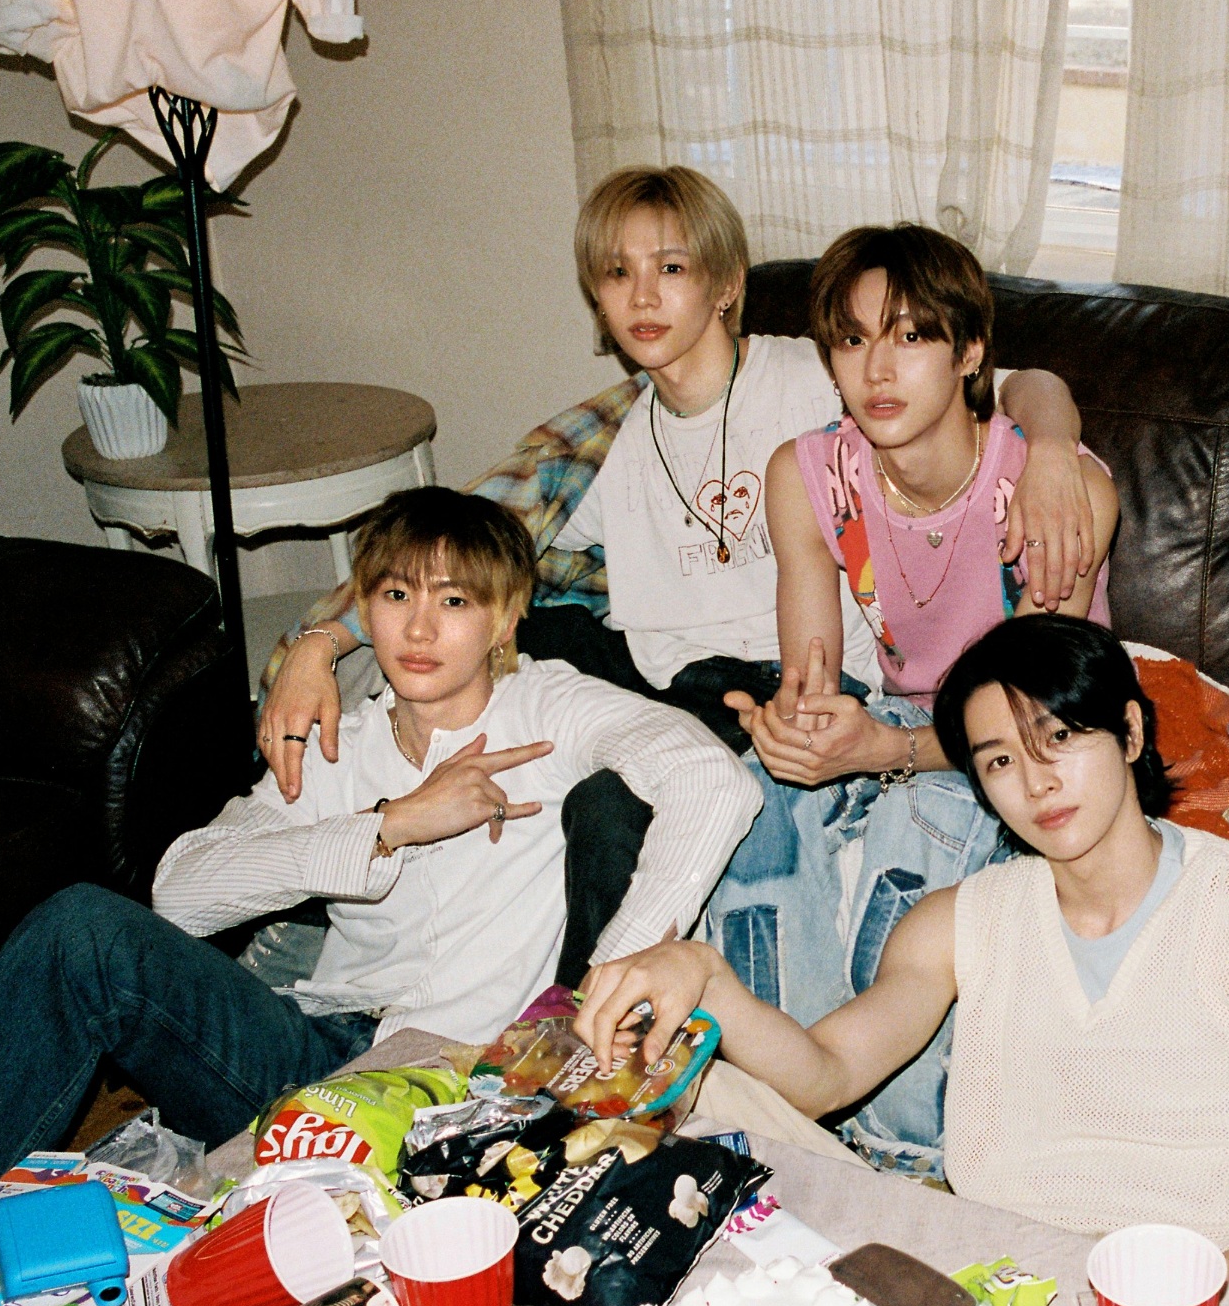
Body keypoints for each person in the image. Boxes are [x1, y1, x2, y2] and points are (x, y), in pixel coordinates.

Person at [575, 616, 1229, 1306]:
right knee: (712, 1092)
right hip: (997, 1289)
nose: (1035, 782)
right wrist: (706, 976)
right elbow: (825, 1075)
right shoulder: (958, 922)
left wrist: (1167, 1298)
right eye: (999, 760)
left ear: (1129, 731)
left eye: (1059, 737)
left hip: (1218, 1294)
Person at [252, 166, 1101, 980]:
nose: (643, 297)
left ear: (726, 284)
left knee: (607, 806)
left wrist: (1054, 451)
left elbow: (1013, 384)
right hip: (663, 676)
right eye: (616, 274)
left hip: (780, 677)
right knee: (456, 651)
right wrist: (317, 645)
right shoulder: (601, 439)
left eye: (670, 268)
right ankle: (323, 897)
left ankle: (581, 1022)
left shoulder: (825, 379)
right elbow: (457, 542)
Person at [0, 488, 758, 1240]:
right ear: (364, 610)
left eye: (454, 601)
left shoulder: (548, 707)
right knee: (82, 930)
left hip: (443, 1090)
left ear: (502, 618)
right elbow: (179, 892)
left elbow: (710, 781)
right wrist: (388, 826)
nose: (419, 627)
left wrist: (617, 973)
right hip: (312, 1052)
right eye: (396, 594)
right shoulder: (342, 742)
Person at [704, 221, 1120, 1177]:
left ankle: (905, 1154)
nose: (877, 369)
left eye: (911, 336)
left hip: (1035, 730)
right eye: (852, 340)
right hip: (904, 715)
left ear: (970, 353)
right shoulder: (808, 476)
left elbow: (1032, 724)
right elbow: (812, 676)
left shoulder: (1056, 494)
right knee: (752, 807)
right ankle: (777, 1112)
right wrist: (798, 734)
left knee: (918, 843)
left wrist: (884, 754)